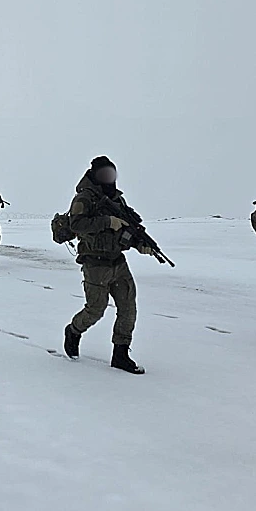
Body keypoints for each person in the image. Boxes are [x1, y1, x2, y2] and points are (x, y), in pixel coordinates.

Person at [63, 156, 152, 375]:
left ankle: (120, 354)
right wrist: (107, 221)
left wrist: (139, 244)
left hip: (118, 261)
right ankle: (74, 330)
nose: (109, 178)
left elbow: (126, 229)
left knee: (128, 307)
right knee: (96, 309)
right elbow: (77, 224)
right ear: (95, 175)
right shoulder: (84, 198)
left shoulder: (117, 200)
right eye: (104, 174)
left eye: (111, 174)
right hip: (95, 263)